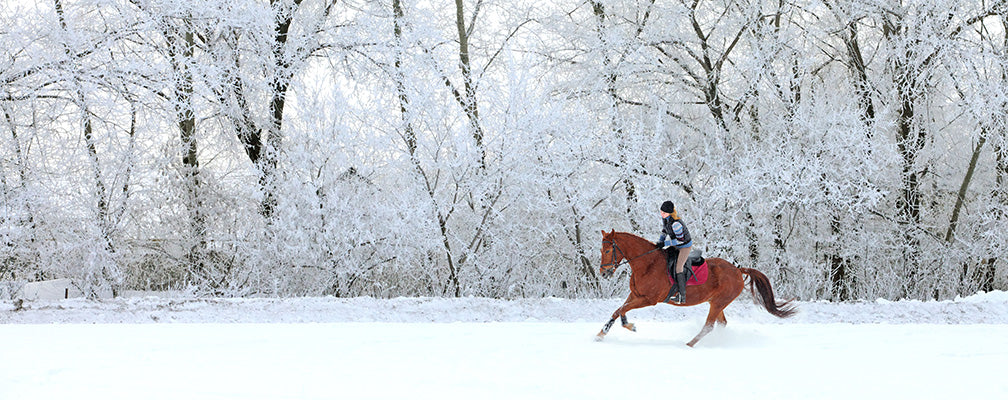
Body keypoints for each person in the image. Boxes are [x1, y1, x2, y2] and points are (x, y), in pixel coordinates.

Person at [655, 200, 691, 304]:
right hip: (676, 245)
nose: (662, 214)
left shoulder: (676, 224)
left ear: (670, 213)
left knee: (678, 267)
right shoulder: (666, 219)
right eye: (661, 211)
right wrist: (660, 242)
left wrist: (665, 244)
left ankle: (682, 295)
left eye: (664, 213)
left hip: (684, 246)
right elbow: (664, 230)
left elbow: (681, 240)